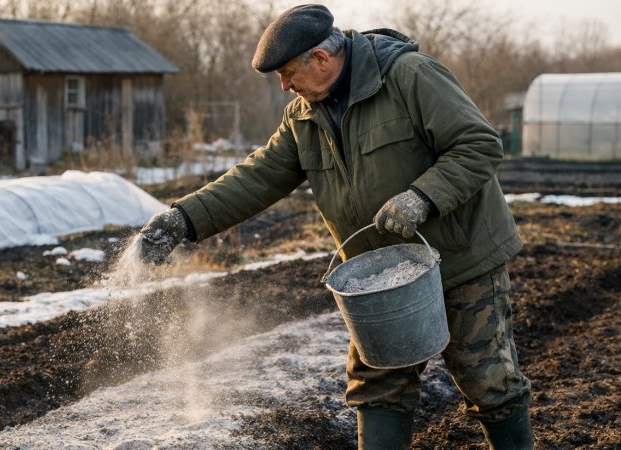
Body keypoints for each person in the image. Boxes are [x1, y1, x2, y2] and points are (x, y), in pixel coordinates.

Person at [138, 4, 533, 449]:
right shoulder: (303, 118)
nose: (285, 86)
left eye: (288, 74)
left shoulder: (409, 76)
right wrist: (181, 219)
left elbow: (478, 144)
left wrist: (422, 197)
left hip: (461, 260)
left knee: (488, 381)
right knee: (378, 385)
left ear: (321, 60)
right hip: (382, 276)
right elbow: (256, 178)